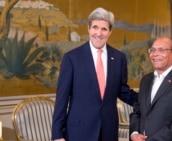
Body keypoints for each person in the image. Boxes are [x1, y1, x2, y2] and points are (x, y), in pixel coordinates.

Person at [51, 7, 137, 141]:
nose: (99, 33)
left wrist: (148, 102)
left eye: (104, 29)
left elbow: (122, 90)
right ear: (88, 29)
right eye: (95, 27)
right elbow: (62, 98)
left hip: (108, 131)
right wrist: (57, 135)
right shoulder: (72, 58)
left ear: (110, 31)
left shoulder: (119, 58)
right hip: (79, 131)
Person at [129, 36, 172, 141]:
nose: (155, 54)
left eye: (161, 50)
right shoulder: (145, 80)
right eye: (152, 50)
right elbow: (137, 111)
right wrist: (134, 133)